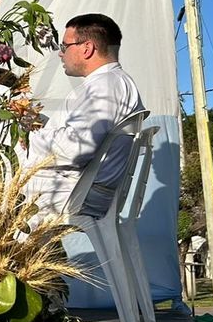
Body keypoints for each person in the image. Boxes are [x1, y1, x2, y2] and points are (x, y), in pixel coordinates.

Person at [23, 14, 146, 229]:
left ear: (87, 48)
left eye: (65, 45)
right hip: (84, 188)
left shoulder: (106, 86)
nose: (61, 53)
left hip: (77, 193)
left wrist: (29, 137)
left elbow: (77, 147)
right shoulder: (110, 83)